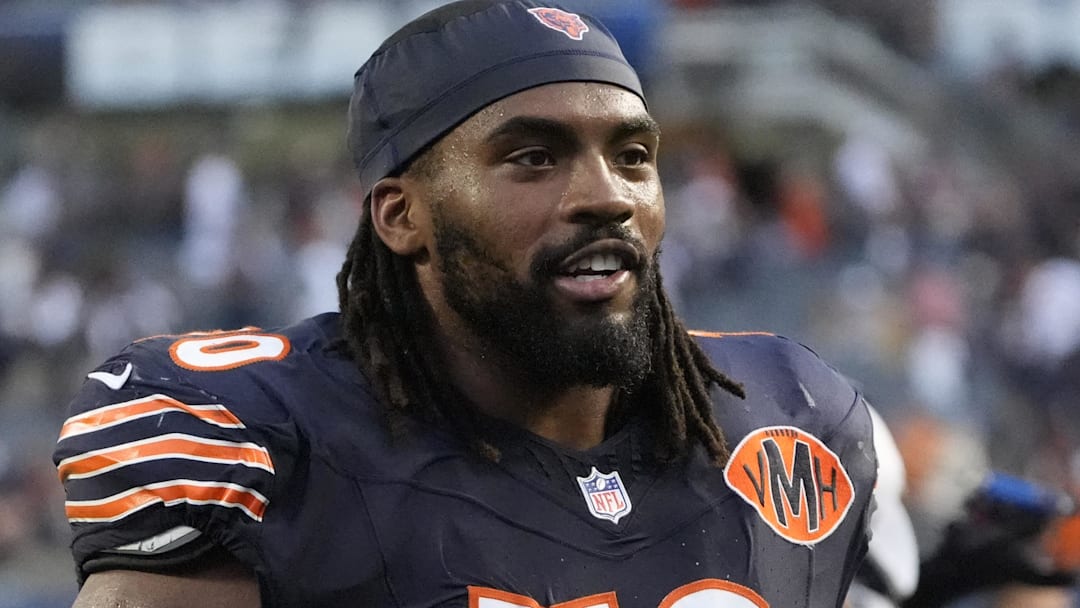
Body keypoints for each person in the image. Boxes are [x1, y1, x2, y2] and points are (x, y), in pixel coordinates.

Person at [53, 2, 878, 606]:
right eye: (532, 157)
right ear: (402, 216)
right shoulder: (264, 443)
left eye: (633, 156)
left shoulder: (791, 419)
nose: (607, 196)